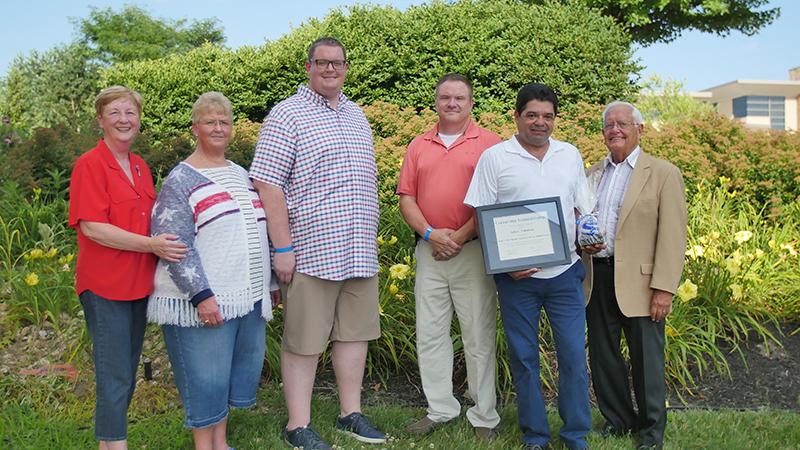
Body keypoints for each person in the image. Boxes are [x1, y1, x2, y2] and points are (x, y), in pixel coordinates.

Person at [249, 37, 385, 450]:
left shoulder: (357, 114)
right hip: (311, 250)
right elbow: (267, 182)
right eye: (322, 62)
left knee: (354, 336)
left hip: (358, 249)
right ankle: (297, 425)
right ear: (308, 66)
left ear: (346, 67)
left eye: (338, 63)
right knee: (304, 341)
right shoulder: (286, 115)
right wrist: (282, 247)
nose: (330, 69)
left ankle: (350, 414)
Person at [147, 92, 280, 450]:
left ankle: (220, 442)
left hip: (244, 295)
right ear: (196, 128)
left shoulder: (240, 173)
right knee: (205, 379)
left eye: (224, 122)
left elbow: (256, 232)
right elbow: (175, 244)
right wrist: (201, 296)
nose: (218, 128)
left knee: (224, 377)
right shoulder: (182, 179)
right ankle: (203, 446)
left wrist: (267, 284)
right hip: (206, 298)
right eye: (210, 122)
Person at [464, 83, 591, 450]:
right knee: (523, 358)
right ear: (517, 116)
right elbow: (480, 215)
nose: (540, 123)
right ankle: (535, 435)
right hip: (516, 279)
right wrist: (505, 265)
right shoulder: (495, 158)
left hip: (565, 273)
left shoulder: (569, 155)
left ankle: (576, 435)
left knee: (571, 354)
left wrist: (590, 235)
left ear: (555, 119)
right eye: (532, 115)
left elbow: (582, 210)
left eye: (547, 116)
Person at [68, 85, 187, 450]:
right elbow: (93, 227)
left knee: (126, 370)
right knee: (115, 372)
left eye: (130, 113)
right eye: (115, 112)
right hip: (105, 285)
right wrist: (151, 245)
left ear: (139, 120)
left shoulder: (139, 167)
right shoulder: (89, 165)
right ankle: (114, 445)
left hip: (138, 284)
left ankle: (110, 442)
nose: (124, 120)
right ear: (100, 120)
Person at [396, 73, 501, 440]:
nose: (452, 104)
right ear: (436, 101)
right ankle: (440, 408)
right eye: (445, 98)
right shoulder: (418, 145)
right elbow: (406, 197)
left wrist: (457, 236)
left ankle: (484, 414)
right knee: (430, 333)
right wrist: (429, 234)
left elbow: (494, 200)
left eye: (459, 98)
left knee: (478, 334)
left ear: (471, 103)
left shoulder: (490, 144)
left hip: (471, 252)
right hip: (429, 251)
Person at [580, 101, 687, 450]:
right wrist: (585, 242)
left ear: (640, 129)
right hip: (598, 277)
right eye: (609, 124)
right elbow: (583, 221)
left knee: (647, 362)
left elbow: (673, 236)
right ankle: (620, 421)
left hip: (643, 284)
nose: (615, 130)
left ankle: (651, 431)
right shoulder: (592, 173)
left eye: (623, 123)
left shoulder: (663, 173)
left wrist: (664, 289)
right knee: (604, 357)